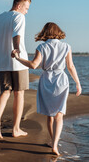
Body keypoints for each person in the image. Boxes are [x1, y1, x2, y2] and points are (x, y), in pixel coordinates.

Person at [11, 22, 82, 155]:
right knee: (59, 115)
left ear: (45, 32)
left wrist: (18, 58)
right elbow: (71, 67)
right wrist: (78, 83)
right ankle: (55, 144)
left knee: (50, 115)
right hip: (61, 80)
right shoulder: (66, 46)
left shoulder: (42, 47)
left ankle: (52, 140)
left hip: (46, 80)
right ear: (58, 32)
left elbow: (33, 65)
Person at [0, 0, 31, 139]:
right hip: (17, 61)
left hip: (1, 60)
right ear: (19, 5)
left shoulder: (0, 17)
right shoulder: (19, 16)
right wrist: (17, 51)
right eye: (26, 8)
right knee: (19, 93)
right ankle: (16, 129)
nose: (27, 11)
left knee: (5, 91)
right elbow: (17, 35)